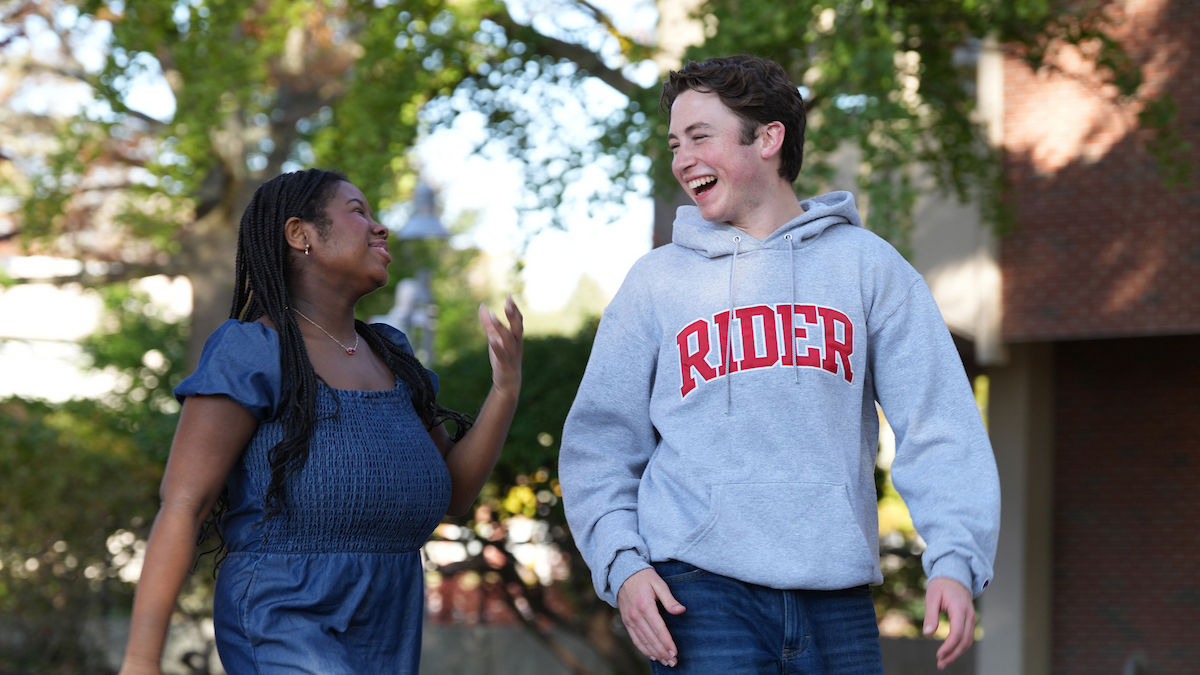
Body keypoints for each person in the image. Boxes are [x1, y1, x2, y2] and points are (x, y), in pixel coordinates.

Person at [559, 56, 999, 674]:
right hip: (697, 591)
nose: (683, 159)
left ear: (768, 138)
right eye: (675, 143)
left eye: (701, 136)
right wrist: (623, 565)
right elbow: (599, 444)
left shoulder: (869, 268)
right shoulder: (655, 283)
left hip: (836, 598)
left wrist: (955, 556)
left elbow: (938, 422)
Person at [118, 169, 523, 674]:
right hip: (283, 616)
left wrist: (505, 388)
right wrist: (140, 660)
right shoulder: (253, 351)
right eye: (358, 212)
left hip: (388, 625)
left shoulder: (393, 354)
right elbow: (183, 504)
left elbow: (456, 497)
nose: (381, 228)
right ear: (300, 234)